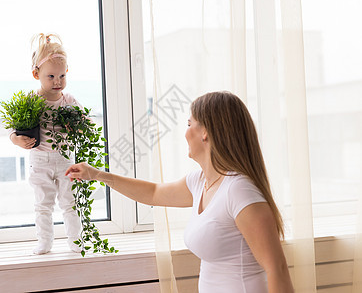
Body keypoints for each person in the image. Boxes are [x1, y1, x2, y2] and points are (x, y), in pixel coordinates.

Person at [65, 91, 294, 292]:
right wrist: (97, 175)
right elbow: (153, 193)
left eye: (189, 124)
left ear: (205, 132)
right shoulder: (201, 181)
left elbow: (278, 269)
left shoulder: (240, 191)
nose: (185, 133)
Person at [9, 33, 81, 255]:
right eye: (51, 76)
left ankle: (75, 241)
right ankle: (45, 242)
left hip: (65, 159)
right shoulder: (32, 101)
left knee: (70, 202)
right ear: (36, 74)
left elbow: (85, 122)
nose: (57, 81)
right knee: (43, 204)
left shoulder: (68, 100)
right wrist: (16, 139)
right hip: (39, 160)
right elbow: (13, 129)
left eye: (61, 75)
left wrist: (76, 127)